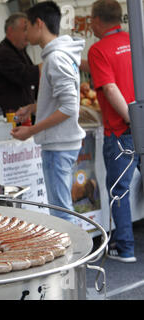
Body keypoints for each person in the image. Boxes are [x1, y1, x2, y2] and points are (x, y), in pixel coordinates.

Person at [11, 1, 86, 224]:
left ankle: (77, 259)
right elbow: (62, 100)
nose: (25, 34)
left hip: (58, 144)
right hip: (61, 143)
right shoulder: (58, 55)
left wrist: (32, 130)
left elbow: (69, 108)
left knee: (61, 212)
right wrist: (34, 108)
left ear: (39, 24)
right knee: (62, 209)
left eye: (27, 27)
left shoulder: (55, 58)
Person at [88, 0, 140, 263]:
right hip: (138, 123)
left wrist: (132, 120)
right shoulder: (137, 40)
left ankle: (126, 248)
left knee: (120, 190)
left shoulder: (98, 50)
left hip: (122, 131)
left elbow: (110, 88)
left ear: (97, 20)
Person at [0, 12, 40, 116]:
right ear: (11, 31)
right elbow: (25, 76)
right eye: (25, 29)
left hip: (22, 115)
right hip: (9, 117)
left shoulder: (20, 51)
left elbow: (34, 81)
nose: (28, 33)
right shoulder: (3, 53)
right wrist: (47, 65)